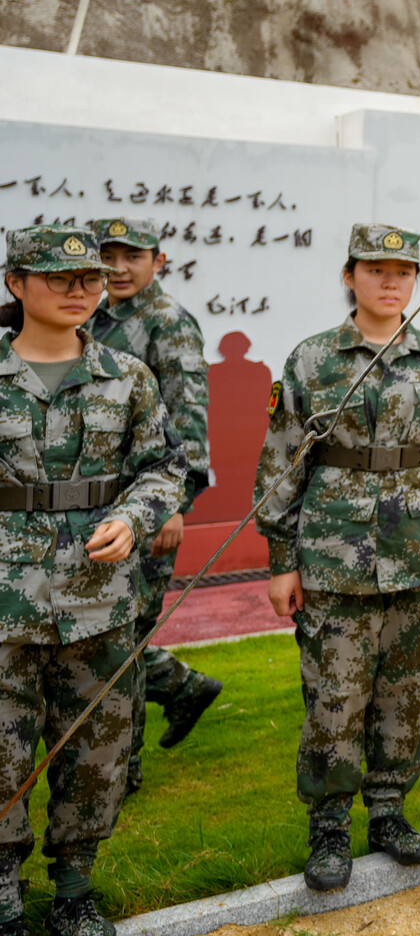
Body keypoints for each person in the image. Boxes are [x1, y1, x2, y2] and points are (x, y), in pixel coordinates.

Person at [254, 224, 420, 893]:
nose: (391, 281)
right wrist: (280, 559)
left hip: (418, 553)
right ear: (350, 276)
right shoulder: (313, 359)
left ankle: (390, 813)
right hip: (333, 556)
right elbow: (281, 463)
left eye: (404, 271)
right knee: (335, 698)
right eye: (376, 269)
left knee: (404, 696)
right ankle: (329, 827)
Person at [0, 225, 184, 936]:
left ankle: (76, 886)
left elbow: (164, 466)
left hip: (99, 600)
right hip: (8, 597)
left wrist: (136, 518)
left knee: (97, 748)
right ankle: (5, 890)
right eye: (59, 278)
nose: (80, 291)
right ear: (16, 284)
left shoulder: (127, 375)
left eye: (90, 280)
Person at [88, 216, 223, 790]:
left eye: (132, 256)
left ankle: (127, 765)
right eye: (108, 257)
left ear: (157, 261)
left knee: (124, 636)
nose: (119, 268)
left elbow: (188, 416)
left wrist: (174, 505)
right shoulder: (91, 319)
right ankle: (182, 686)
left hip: (148, 503)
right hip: (97, 504)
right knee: (103, 633)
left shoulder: (167, 323)